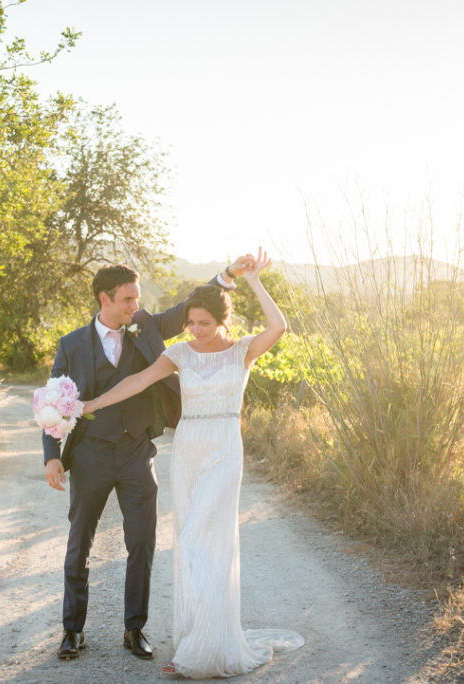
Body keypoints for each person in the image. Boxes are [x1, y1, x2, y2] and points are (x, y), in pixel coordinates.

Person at [82, 247, 305, 678]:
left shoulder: (242, 351)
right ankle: (197, 638)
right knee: (189, 542)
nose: (196, 331)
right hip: (188, 451)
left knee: (208, 543)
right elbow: (137, 381)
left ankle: (210, 649)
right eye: (191, 323)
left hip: (224, 449)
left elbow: (279, 326)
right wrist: (93, 402)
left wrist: (254, 279)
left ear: (223, 321)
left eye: (204, 323)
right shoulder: (180, 354)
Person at [42, 255, 257, 661]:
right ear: (104, 298)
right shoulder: (71, 344)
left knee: (142, 543)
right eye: (127, 300)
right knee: (79, 543)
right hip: (89, 454)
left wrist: (227, 276)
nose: (134, 306)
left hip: (138, 453)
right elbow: (55, 399)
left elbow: (189, 309)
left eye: (137, 299)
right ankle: (73, 630)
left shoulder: (146, 326)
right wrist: (52, 457)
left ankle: (134, 628)